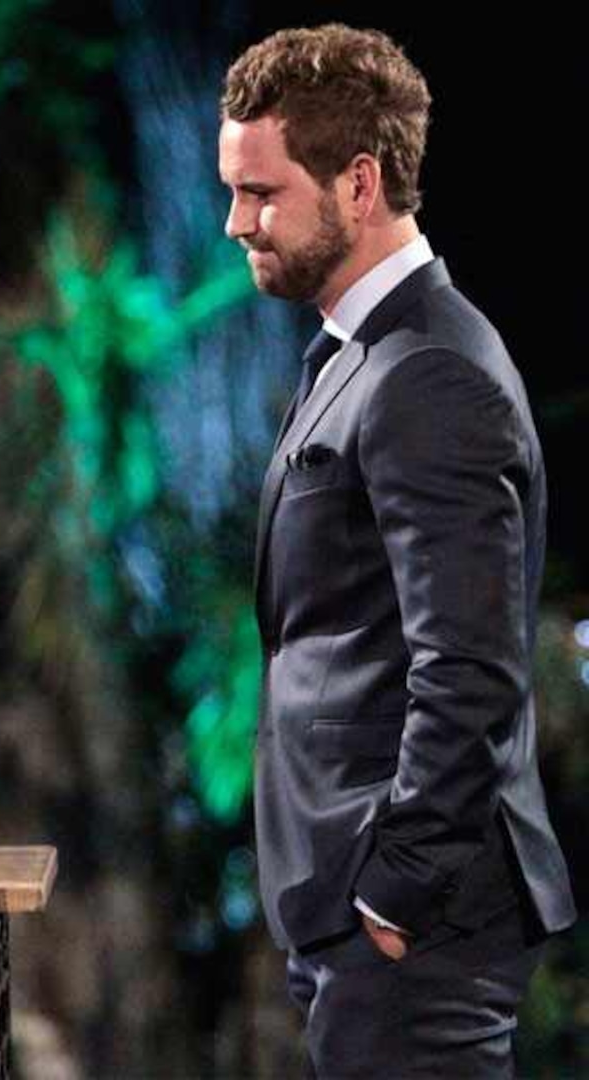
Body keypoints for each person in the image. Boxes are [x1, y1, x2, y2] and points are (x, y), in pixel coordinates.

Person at [218, 24, 576, 1077]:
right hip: (356, 913)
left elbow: (471, 665)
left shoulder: (428, 370)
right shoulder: (359, 353)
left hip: (416, 929)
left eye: (262, 193)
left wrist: (396, 887)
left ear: (360, 183)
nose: (237, 223)